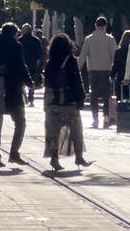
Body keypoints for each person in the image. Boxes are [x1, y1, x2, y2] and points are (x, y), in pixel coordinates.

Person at [0, 22, 34, 169]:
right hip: (12, 88)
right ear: (14, 33)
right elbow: (21, 65)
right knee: (20, 122)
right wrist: (29, 81)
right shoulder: (16, 46)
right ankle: (14, 152)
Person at [43, 33, 89, 171]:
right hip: (69, 101)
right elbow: (77, 81)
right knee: (76, 130)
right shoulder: (71, 60)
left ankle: (54, 158)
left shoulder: (50, 62)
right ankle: (79, 157)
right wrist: (81, 98)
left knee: (53, 132)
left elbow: (47, 82)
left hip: (52, 103)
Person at [78, 16, 117, 129]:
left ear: (95, 25)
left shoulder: (89, 39)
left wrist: (78, 68)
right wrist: (115, 69)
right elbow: (114, 55)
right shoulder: (110, 39)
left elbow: (83, 55)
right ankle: (105, 117)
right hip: (106, 70)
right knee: (106, 95)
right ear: (105, 26)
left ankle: (95, 119)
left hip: (93, 70)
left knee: (94, 95)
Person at [19, 23, 45, 107]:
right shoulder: (36, 40)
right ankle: (31, 98)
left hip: (22, 63)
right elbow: (40, 53)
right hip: (33, 64)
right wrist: (40, 62)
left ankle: (23, 97)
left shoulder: (20, 40)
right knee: (32, 81)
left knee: (21, 81)